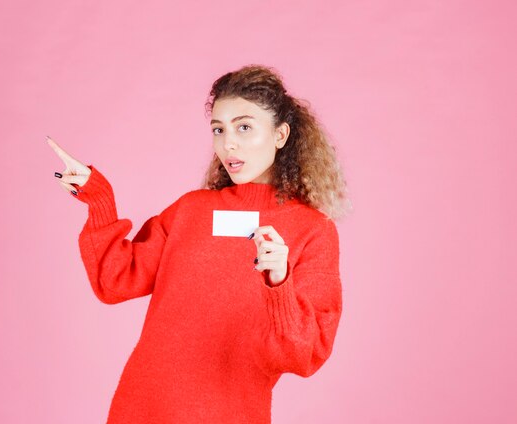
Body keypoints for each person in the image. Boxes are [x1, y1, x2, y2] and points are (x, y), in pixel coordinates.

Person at [47, 64, 351, 423]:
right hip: (142, 408)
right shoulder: (191, 209)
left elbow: (303, 355)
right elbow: (115, 280)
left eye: (244, 127)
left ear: (281, 134)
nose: (229, 143)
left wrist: (279, 283)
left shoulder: (313, 231)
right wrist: (100, 201)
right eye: (219, 130)